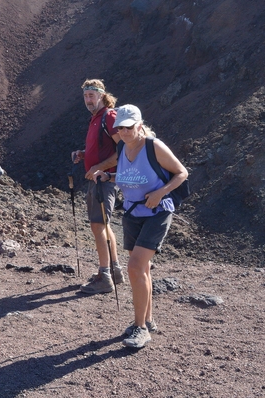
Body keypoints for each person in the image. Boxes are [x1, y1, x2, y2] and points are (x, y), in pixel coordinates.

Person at [93, 104, 188, 350]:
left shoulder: (153, 146)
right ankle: (147, 319)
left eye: (128, 127)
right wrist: (108, 176)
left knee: (135, 266)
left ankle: (140, 328)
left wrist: (161, 192)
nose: (123, 132)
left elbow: (181, 173)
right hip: (133, 213)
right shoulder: (123, 147)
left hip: (157, 212)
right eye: (120, 128)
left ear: (140, 126)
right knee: (141, 267)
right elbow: (129, 176)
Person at [72, 79, 124, 294]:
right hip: (98, 178)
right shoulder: (96, 119)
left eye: (91, 95)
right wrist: (84, 155)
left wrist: (98, 167)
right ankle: (115, 270)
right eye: (85, 96)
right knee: (104, 224)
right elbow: (105, 148)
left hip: (105, 179)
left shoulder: (109, 117)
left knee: (98, 225)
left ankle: (104, 276)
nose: (88, 100)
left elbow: (122, 149)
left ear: (102, 95)